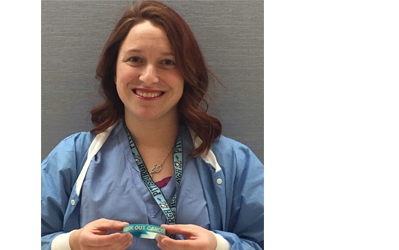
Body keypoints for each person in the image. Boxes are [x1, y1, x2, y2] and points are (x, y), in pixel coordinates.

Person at [41, 0, 264, 249]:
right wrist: (70, 243)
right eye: (135, 59)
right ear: (113, 71)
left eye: (168, 62)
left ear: (188, 74)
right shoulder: (72, 158)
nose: (149, 77)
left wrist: (220, 246)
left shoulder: (234, 162)